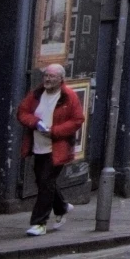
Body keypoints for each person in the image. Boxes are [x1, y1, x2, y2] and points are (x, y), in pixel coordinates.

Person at [16, 63, 86, 236]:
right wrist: (35, 123)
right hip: (38, 145)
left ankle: (39, 223)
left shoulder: (68, 96)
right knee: (42, 181)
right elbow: (22, 112)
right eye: (46, 76)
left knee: (46, 182)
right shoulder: (37, 94)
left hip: (57, 148)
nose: (47, 79)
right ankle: (61, 206)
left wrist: (54, 131)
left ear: (61, 79)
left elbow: (77, 119)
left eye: (51, 76)